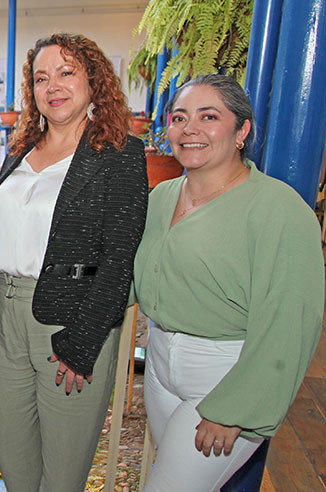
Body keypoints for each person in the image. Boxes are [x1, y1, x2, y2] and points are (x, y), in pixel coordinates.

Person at [134, 74, 324, 491]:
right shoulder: (161, 197)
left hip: (225, 374)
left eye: (209, 117)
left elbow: (290, 320)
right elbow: (137, 272)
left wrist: (237, 406)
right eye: (179, 117)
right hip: (160, 366)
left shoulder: (279, 209)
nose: (190, 129)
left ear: (242, 131)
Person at [0, 33, 148, 491]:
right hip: (3, 317)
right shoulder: (20, 151)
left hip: (69, 324)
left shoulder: (120, 155)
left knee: (61, 476)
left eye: (66, 72)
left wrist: (83, 342)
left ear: (94, 82)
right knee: (13, 462)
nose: (52, 86)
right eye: (41, 78)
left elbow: (119, 258)